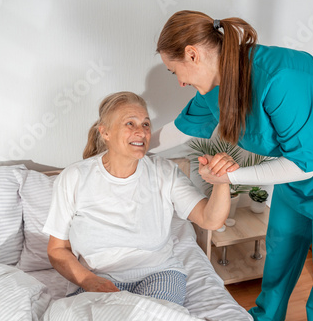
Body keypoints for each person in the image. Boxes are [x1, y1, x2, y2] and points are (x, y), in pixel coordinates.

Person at [151, 10, 313, 321]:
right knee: (280, 252)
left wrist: (229, 176)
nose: (180, 81)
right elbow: (183, 127)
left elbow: (303, 165)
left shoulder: (279, 78)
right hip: (296, 168)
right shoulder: (213, 84)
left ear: (192, 54)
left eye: (175, 72)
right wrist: (136, 145)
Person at [43, 91, 231, 306]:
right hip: (97, 278)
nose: (141, 132)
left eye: (146, 124)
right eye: (129, 123)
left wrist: (222, 181)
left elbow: (211, 220)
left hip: (159, 274)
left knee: (151, 320)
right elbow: (57, 250)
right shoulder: (74, 177)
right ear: (105, 132)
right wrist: (89, 281)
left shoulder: (164, 172)